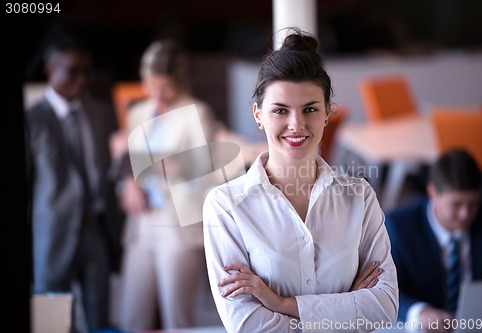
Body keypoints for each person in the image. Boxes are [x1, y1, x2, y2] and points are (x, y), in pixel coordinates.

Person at [202, 27, 399, 332]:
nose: (296, 125)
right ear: (258, 114)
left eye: (310, 109)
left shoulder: (359, 197)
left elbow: (384, 307)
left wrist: (282, 304)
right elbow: (247, 324)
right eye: (280, 110)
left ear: (327, 114)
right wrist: (346, 306)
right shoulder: (226, 206)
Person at [112, 38, 264, 331]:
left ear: (179, 81)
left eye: (164, 86)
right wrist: (130, 182)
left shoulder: (197, 113)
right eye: (151, 85)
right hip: (142, 223)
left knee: (176, 319)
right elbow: (127, 159)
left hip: (177, 226)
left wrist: (150, 164)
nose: (157, 94)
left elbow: (198, 171)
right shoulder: (138, 112)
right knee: (132, 317)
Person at [25, 30, 118, 332]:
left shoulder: (100, 112)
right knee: (51, 322)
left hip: (95, 230)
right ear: (50, 68)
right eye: (73, 71)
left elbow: (109, 167)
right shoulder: (32, 119)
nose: (82, 80)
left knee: (98, 319)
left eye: (86, 72)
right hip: (51, 234)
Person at [384, 148, 482, 333]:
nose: (465, 214)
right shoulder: (399, 228)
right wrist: (420, 312)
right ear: (432, 193)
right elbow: (385, 288)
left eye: (473, 204)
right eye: (456, 204)